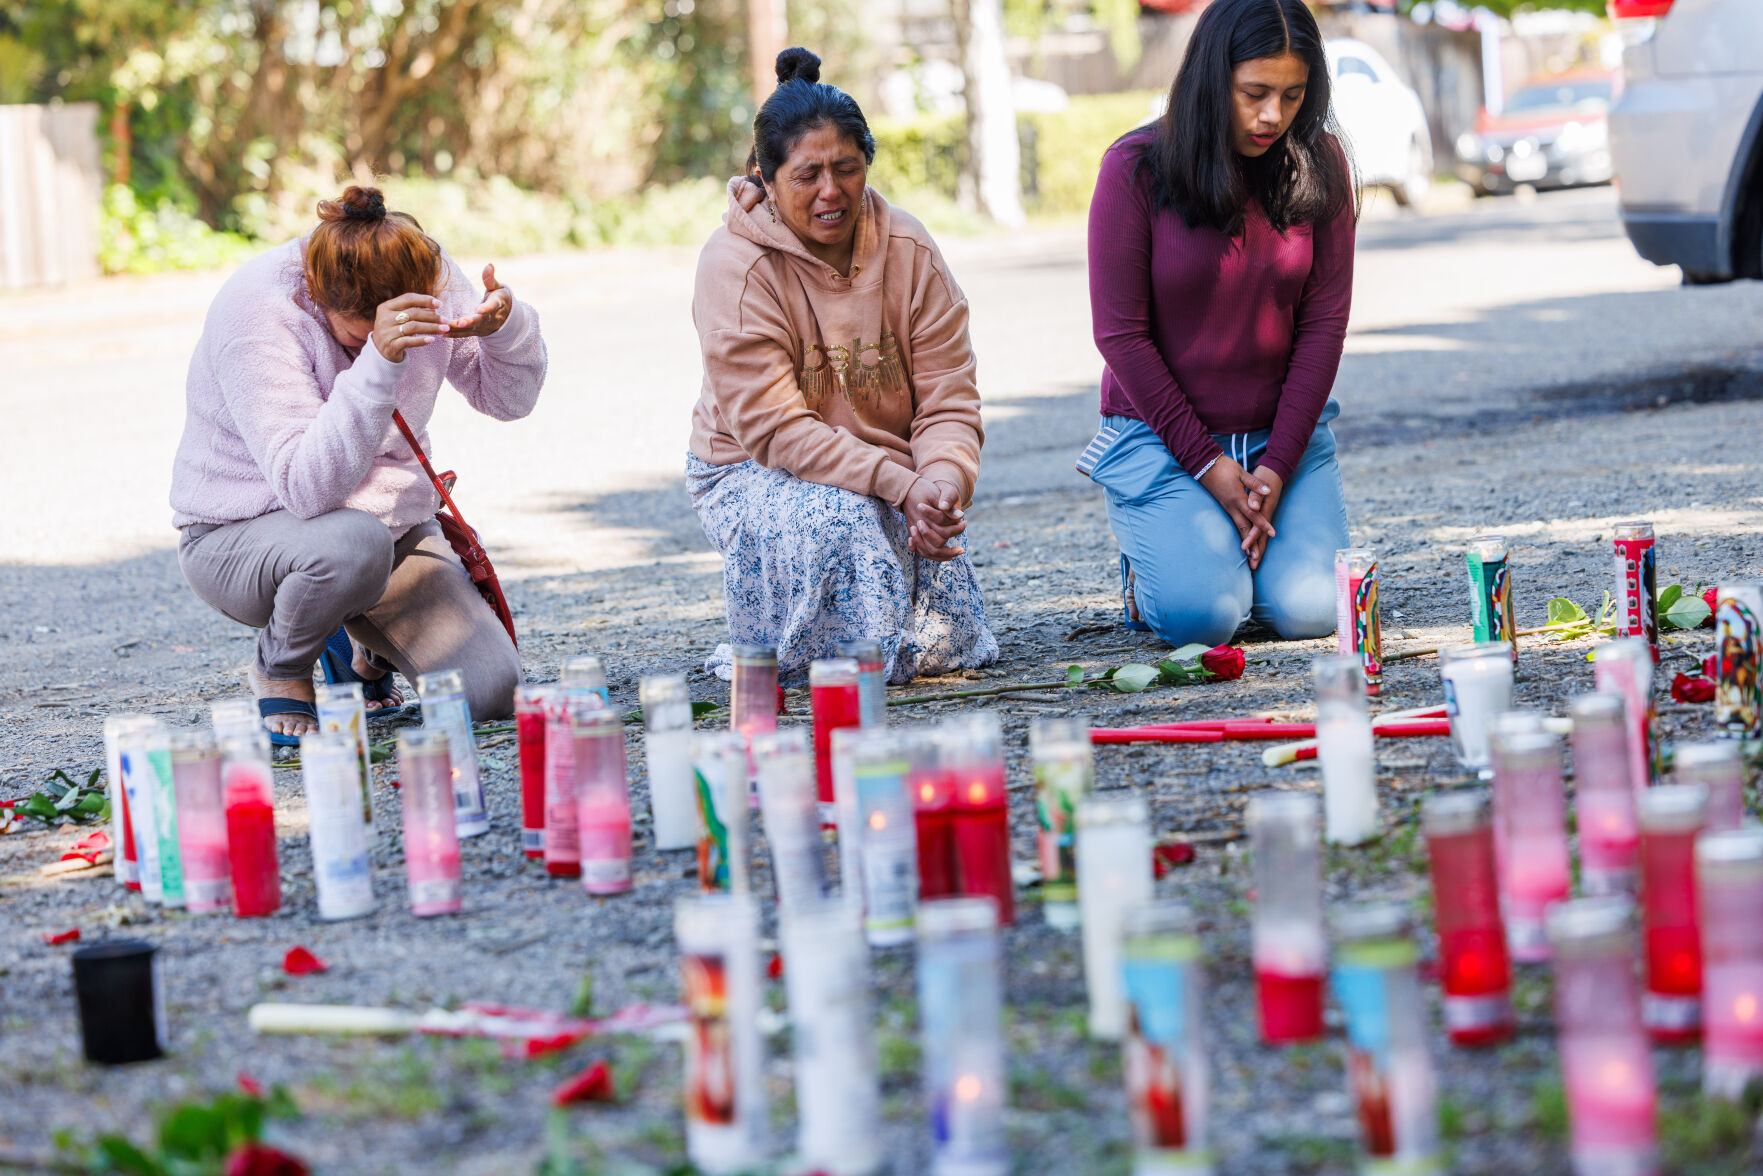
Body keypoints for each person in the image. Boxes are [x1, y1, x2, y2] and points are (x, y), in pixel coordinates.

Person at [170, 186, 546, 742]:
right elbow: (306, 488)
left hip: (386, 529)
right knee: (352, 543)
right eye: (354, 333)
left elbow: (508, 402)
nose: (369, 342)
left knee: (490, 693)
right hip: (246, 536)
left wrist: (503, 331)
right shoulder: (259, 311)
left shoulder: (426, 272)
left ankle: (364, 653)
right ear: (317, 297)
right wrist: (379, 360)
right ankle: (283, 666)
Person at [688, 47, 999, 684]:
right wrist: (898, 484)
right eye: (807, 176)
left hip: (884, 464)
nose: (832, 192)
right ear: (766, 179)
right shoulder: (733, 267)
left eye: (847, 169)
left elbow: (948, 397)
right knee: (847, 519)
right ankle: (814, 661)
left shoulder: (910, 249)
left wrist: (940, 483)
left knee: (951, 643)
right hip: (750, 467)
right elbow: (777, 431)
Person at [1083, 0, 1357, 648]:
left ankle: (1228, 555)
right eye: (1254, 93)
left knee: (1315, 610)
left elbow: (1323, 323)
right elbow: (1119, 334)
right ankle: (1162, 559)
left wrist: (1278, 467)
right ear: (1213, 79)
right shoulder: (1133, 169)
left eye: (1292, 95)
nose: (1273, 115)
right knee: (1201, 620)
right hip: (1161, 440)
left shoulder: (1319, 161)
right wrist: (1206, 465)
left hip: (1276, 442)